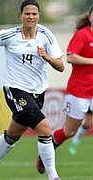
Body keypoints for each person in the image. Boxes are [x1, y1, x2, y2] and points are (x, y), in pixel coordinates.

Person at [0, 0, 64, 180]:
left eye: (34, 14)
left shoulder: (46, 35)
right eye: (27, 13)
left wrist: (46, 57)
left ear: (39, 16)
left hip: (38, 92)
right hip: (14, 89)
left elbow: (60, 66)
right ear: (20, 16)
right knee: (45, 128)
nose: (31, 17)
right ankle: (53, 177)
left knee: (13, 135)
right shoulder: (9, 35)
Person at [36, 4, 93, 174]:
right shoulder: (82, 35)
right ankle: (46, 151)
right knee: (70, 130)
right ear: (90, 17)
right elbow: (70, 57)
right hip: (79, 90)